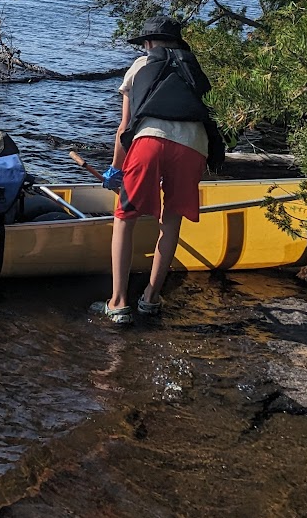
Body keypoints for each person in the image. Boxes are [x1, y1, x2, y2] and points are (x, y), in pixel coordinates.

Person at [90, 16, 214, 324]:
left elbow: (124, 127)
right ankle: (151, 298)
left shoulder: (140, 66)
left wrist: (115, 169)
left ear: (147, 43)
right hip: (194, 146)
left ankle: (118, 303)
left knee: (125, 218)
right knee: (170, 221)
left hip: (149, 141)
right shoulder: (192, 67)